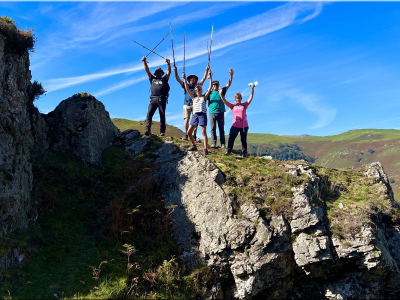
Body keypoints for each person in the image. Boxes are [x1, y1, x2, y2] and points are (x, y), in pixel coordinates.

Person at [174, 65, 209, 142]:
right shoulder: (186, 85)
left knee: (195, 122)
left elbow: (204, 79)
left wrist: (206, 71)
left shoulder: (198, 86)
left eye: (194, 78)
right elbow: (178, 79)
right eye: (191, 78)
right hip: (186, 104)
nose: (193, 79)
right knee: (186, 119)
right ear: (189, 79)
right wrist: (176, 71)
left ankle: (195, 135)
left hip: (195, 105)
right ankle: (186, 134)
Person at [182, 70, 213, 155]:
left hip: (202, 114)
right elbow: (187, 88)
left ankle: (205, 149)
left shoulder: (204, 97)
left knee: (203, 132)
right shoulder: (193, 97)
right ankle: (194, 145)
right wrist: (184, 78)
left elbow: (210, 87)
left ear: (201, 90)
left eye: (200, 89)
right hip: (195, 115)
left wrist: (210, 78)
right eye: (197, 90)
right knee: (188, 132)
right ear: (195, 91)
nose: (198, 90)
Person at [218, 85, 254, 158]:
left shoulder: (244, 105)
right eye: (237, 98)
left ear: (241, 98)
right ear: (235, 99)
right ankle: (228, 151)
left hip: (244, 125)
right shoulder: (233, 106)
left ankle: (244, 153)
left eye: (239, 98)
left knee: (243, 139)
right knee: (231, 138)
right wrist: (220, 94)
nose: (238, 99)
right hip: (235, 125)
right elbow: (224, 101)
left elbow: (251, 98)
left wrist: (252, 90)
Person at [141, 56, 171, 136]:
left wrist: (168, 63)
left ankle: (162, 131)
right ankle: (147, 129)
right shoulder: (152, 79)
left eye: (160, 72)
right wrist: (144, 62)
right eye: (157, 72)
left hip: (162, 99)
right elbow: (147, 70)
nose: (159, 73)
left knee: (162, 115)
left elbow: (169, 72)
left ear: (161, 73)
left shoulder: (165, 79)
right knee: (149, 114)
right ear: (156, 73)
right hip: (153, 99)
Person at [207, 68, 234, 148]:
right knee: (212, 128)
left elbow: (229, 84)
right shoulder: (209, 92)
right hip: (212, 112)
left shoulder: (221, 90)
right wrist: (209, 77)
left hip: (221, 112)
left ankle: (222, 143)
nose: (215, 86)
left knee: (221, 128)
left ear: (218, 85)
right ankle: (213, 143)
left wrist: (231, 75)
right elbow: (203, 97)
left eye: (216, 85)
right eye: (214, 85)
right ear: (212, 86)